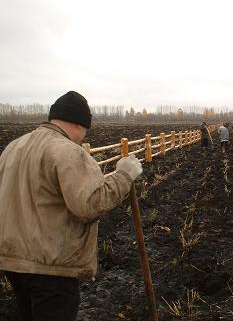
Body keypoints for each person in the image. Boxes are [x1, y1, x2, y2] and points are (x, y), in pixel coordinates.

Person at [0, 91, 143, 321]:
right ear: (78, 124)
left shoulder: (13, 148)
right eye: (85, 128)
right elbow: (90, 204)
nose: (83, 135)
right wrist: (124, 176)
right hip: (51, 266)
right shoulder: (67, 151)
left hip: (14, 262)